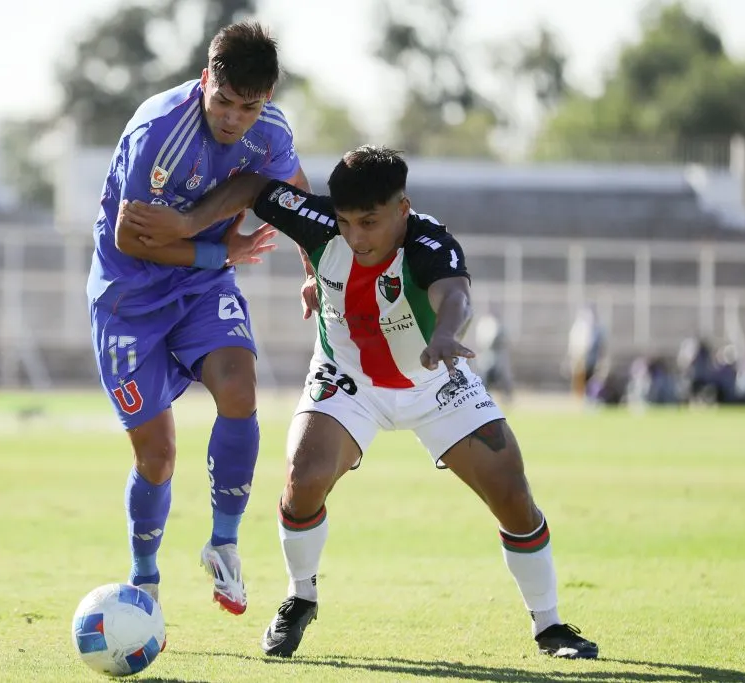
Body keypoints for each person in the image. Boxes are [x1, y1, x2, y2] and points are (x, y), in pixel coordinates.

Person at [120, 146, 599, 660]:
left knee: (511, 492)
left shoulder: (430, 240)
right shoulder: (319, 220)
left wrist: (444, 335)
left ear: (402, 208)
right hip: (346, 378)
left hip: (434, 380)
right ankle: (300, 597)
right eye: (345, 222)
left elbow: (455, 293)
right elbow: (252, 186)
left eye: (369, 222)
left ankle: (550, 626)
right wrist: (190, 221)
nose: (355, 236)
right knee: (303, 479)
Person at [87, 20, 316, 616]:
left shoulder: (269, 131)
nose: (233, 118)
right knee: (157, 455)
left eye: (248, 106)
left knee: (240, 388)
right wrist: (224, 250)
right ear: (205, 78)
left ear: (264, 99)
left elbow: (291, 189)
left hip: (201, 287)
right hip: (128, 301)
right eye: (223, 102)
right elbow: (132, 240)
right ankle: (144, 579)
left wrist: (314, 266)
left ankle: (224, 544)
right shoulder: (158, 133)